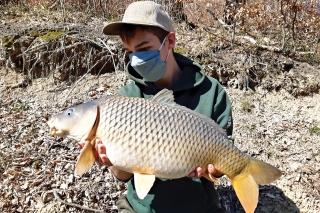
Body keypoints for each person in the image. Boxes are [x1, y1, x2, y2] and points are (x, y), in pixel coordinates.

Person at [79, 1, 233, 213]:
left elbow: (221, 167)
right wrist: (110, 160)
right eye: (129, 52)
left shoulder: (211, 93)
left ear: (170, 41)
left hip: (200, 207)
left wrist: (215, 170)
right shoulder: (126, 99)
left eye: (143, 49)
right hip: (141, 208)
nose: (136, 60)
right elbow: (125, 175)